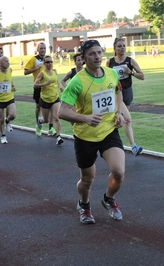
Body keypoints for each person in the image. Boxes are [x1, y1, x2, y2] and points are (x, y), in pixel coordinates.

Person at [58, 40, 126, 224]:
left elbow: (117, 91)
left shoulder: (111, 73)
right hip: (85, 136)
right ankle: (84, 205)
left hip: (108, 131)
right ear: (83, 58)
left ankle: (108, 199)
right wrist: (85, 118)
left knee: (118, 171)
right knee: (87, 180)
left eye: (99, 53)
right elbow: (62, 111)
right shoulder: (77, 82)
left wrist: (119, 112)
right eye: (92, 54)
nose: (97, 57)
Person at [106, 37, 144, 156]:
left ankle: (112, 144)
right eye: (119, 46)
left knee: (121, 120)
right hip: (116, 93)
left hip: (127, 92)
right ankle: (132, 146)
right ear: (115, 48)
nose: (122, 48)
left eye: (123, 46)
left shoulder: (130, 61)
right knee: (126, 119)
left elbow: (142, 76)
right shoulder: (110, 62)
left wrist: (130, 72)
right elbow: (105, 77)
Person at [24, 42, 55, 137]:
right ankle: (38, 124)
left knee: (50, 107)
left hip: (48, 87)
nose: (43, 50)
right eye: (41, 48)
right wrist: (36, 68)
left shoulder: (48, 59)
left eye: (44, 48)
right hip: (38, 87)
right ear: (37, 49)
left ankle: (51, 128)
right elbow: (25, 72)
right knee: (38, 107)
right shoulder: (34, 59)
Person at [34, 56, 64, 145]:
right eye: (47, 62)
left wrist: (60, 87)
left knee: (56, 117)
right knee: (46, 120)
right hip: (45, 99)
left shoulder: (54, 72)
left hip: (55, 98)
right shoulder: (42, 73)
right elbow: (35, 85)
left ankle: (58, 137)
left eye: (51, 62)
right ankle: (40, 121)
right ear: (44, 64)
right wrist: (45, 84)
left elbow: (55, 81)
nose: (49, 64)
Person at [0, 56, 17, 144]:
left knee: (13, 115)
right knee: (1, 119)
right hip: (0, 99)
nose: (8, 63)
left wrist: (13, 86)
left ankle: (8, 121)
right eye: (6, 61)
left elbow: (10, 80)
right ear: (1, 64)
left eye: (8, 61)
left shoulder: (10, 70)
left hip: (9, 97)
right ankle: (3, 136)